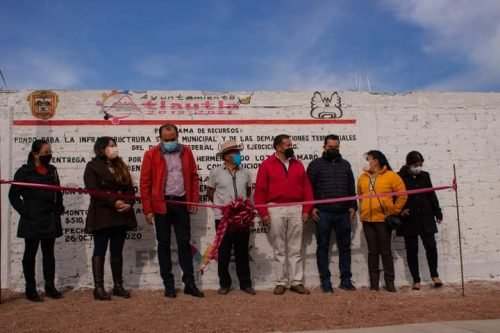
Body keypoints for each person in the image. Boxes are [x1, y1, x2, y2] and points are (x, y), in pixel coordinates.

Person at [140, 123, 204, 298]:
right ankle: (168, 285)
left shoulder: (187, 152)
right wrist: (148, 209)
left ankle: (189, 283)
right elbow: (144, 184)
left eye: (172, 139)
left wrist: (193, 201)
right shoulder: (150, 155)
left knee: (184, 243)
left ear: (178, 136)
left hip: (182, 203)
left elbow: (193, 177)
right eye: (166, 139)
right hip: (161, 205)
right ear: (160, 138)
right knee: (164, 244)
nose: (169, 142)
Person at [254, 134, 313, 295]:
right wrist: (264, 213)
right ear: (278, 147)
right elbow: (260, 191)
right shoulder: (266, 165)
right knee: (279, 248)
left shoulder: (298, 164)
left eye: (290, 144)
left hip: (296, 207)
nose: (290, 147)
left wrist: (307, 209)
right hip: (275, 208)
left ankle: (296, 282)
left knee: (295, 247)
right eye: (287, 145)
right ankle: (280, 282)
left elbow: (307, 188)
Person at [9, 139, 64, 302]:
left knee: (49, 254)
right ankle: (30, 288)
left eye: (50, 152)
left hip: (49, 216)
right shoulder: (24, 172)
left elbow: (58, 191)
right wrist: (25, 211)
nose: (49, 155)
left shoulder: (52, 170)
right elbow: (13, 195)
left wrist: (58, 207)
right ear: (35, 154)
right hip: (32, 218)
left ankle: (49, 286)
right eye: (45, 153)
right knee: (30, 254)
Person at [84, 137, 137, 301]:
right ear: (101, 149)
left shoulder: (120, 165)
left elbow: (129, 188)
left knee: (117, 250)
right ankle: (98, 287)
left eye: (115, 146)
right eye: (111, 146)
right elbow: (93, 190)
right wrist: (114, 202)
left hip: (121, 215)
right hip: (103, 214)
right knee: (99, 249)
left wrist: (128, 202)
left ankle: (118, 285)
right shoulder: (92, 166)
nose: (114, 149)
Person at [307, 134, 357, 293]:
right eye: (330, 147)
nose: (333, 149)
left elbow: (351, 187)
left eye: (336, 147)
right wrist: (312, 207)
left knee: (345, 247)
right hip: (323, 214)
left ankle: (346, 279)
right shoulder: (315, 165)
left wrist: (353, 205)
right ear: (324, 147)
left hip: (343, 213)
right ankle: (325, 281)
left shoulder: (345, 165)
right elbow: (309, 188)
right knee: (322, 247)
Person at [207, 140, 256, 295]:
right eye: (235, 152)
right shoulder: (216, 172)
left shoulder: (246, 172)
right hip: (223, 218)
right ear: (226, 156)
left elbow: (247, 192)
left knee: (242, 251)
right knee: (224, 252)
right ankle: (224, 284)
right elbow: (210, 192)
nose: (238, 155)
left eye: (238, 152)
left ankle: (245, 284)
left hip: (242, 218)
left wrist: (239, 208)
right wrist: (224, 207)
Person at [357, 150, 407, 292]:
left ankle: (389, 283)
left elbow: (402, 195)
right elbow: (359, 195)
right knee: (372, 252)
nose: (367, 161)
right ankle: (374, 284)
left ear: (376, 160)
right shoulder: (362, 177)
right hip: (367, 220)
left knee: (385, 251)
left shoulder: (392, 176)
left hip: (383, 220)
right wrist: (364, 210)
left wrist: (394, 211)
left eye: (369, 159)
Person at [397, 151, 443, 290]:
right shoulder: (399, 177)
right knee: (412, 250)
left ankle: (434, 275)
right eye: (416, 165)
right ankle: (416, 279)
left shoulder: (425, 175)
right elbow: (394, 197)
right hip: (409, 218)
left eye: (420, 164)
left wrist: (437, 212)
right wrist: (400, 210)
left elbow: (431, 194)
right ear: (408, 164)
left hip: (426, 216)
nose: (418, 167)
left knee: (431, 247)